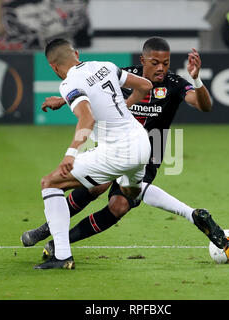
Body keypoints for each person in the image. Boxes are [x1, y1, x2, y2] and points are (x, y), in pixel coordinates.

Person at [23, 37, 229, 262]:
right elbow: (93, 87)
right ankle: (47, 229)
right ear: (143, 60)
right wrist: (63, 100)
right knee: (96, 187)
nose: (161, 68)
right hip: (116, 143)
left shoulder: (175, 83)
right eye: (155, 62)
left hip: (151, 148)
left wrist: (197, 80)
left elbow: (205, 106)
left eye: (166, 62)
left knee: (120, 204)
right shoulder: (126, 72)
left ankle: (59, 242)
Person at [33, 38, 154, 269]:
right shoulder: (105, 65)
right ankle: (180, 209)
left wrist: (71, 153)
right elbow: (146, 86)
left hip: (119, 151)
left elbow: (88, 118)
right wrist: (124, 107)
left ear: (53, 66)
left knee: (50, 183)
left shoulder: (69, 83)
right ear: (76, 53)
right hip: (141, 143)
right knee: (130, 191)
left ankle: (62, 255)